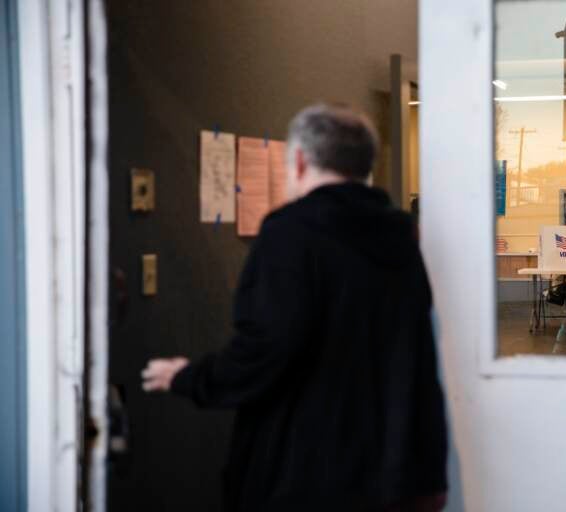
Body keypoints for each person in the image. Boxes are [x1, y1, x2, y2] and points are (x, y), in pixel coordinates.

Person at [141, 104, 448, 512]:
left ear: (300, 161)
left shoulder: (291, 232)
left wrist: (189, 378)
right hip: (401, 471)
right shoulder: (401, 237)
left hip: (311, 474)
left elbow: (267, 347)